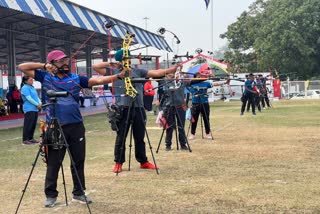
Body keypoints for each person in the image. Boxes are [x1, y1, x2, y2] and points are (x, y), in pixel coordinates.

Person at [18, 49, 126, 208]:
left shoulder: (76, 78)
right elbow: (22, 66)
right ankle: (51, 195)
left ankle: (79, 192)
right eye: (61, 61)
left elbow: (97, 81)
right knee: (54, 162)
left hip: (76, 126)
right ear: (53, 63)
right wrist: (44, 66)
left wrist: (118, 76)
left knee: (78, 160)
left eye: (66, 60)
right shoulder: (45, 76)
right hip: (55, 127)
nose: (65, 63)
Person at [93, 49, 181, 173]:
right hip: (123, 108)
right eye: (125, 58)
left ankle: (143, 161)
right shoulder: (114, 72)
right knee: (121, 137)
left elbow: (156, 72)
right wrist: (112, 64)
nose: (128, 60)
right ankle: (118, 162)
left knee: (139, 136)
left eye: (128, 58)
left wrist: (172, 69)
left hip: (138, 108)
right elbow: (95, 66)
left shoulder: (138, 71)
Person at [160, 72, 189, 151]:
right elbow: (167, 90)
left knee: (181, 126)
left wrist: (181, 77)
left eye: (172, 75)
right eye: (169, 75)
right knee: (169, 127)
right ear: (166, 76)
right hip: (170, 106)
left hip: (181, 106)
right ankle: (168, 145)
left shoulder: (182, 81)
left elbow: (191, 81)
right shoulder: (165, 83)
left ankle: (183, 144)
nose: (172, 76)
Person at [20, 75, 42, 145]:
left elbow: (36, 96)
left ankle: (30, 138)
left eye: (32, 80)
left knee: (33, 124)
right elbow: (29, 98)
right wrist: (37, 104)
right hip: (29, 108)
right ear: (26, 81)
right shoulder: (25, 88)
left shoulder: (32, 87)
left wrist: (40, 102)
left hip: (35, 108)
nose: (32, 81)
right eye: (30, 80)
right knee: (28, 124)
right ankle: (25, 139)